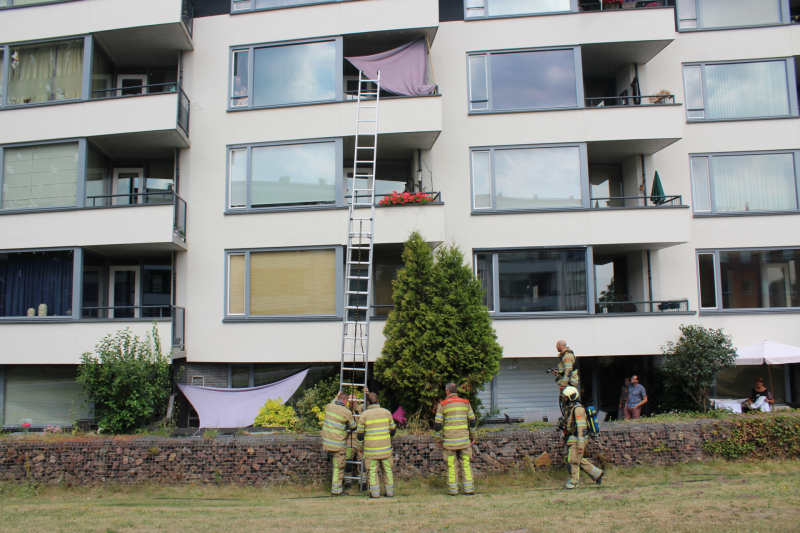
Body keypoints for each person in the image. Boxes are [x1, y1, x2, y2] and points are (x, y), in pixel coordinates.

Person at [434, 383, 478, 496]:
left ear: (447, 391)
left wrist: (438, 439)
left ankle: (453, 491)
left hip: (449, 443)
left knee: (451, 466)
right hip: (464, 441)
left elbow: (438, 425)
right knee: (466, 465)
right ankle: (469, 489)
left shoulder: (442, 404)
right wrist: (472, 437)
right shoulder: (466, 403)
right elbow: (472, 421)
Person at [561, 386, 604, 490]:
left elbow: (581, 428)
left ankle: (572, 482)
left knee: (572, 461)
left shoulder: (578, 409)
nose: (565, 399)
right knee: (578, 460)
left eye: (566, 398)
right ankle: (597, 474)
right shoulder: (571, 409)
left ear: (572, 397)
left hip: (577, 439)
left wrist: (581, 445)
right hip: (573, 439)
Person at [357, 392, 397, 498]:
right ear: (378, 401)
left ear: (368, 402)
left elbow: (360, 435)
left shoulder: (364, 415)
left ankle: (374, 494)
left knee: (372, 472)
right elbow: (393, 431)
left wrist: (360, 448)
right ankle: (390, 492)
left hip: (371, 451)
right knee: (387, 470)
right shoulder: (387, 413)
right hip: (386, 450)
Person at [321, 392, 357, 496]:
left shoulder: (329, 406)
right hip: (338, 444)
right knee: (339, 467)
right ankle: (336, 491)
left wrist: (337, 395)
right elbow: (353, 427)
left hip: (327, 442)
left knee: (334, 466)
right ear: (346, 401)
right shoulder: (346, 412)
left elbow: (334, 401)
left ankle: (335, 490)